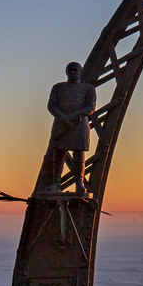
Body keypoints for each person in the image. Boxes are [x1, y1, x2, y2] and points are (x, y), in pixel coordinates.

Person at [45, 62, 96, 191]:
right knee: (58, 152)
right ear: (66, 72)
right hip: (61, 123)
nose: (73, 73)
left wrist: (73, 117)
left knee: (79, 153)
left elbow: (90, 107)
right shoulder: (58, 87)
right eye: (70, 70)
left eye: (75, 71)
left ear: (80, 72)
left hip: (79, 125)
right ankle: (56, 182)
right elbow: (51, 105)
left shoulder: (88, 88)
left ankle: (79, 183)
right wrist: (63, 118)